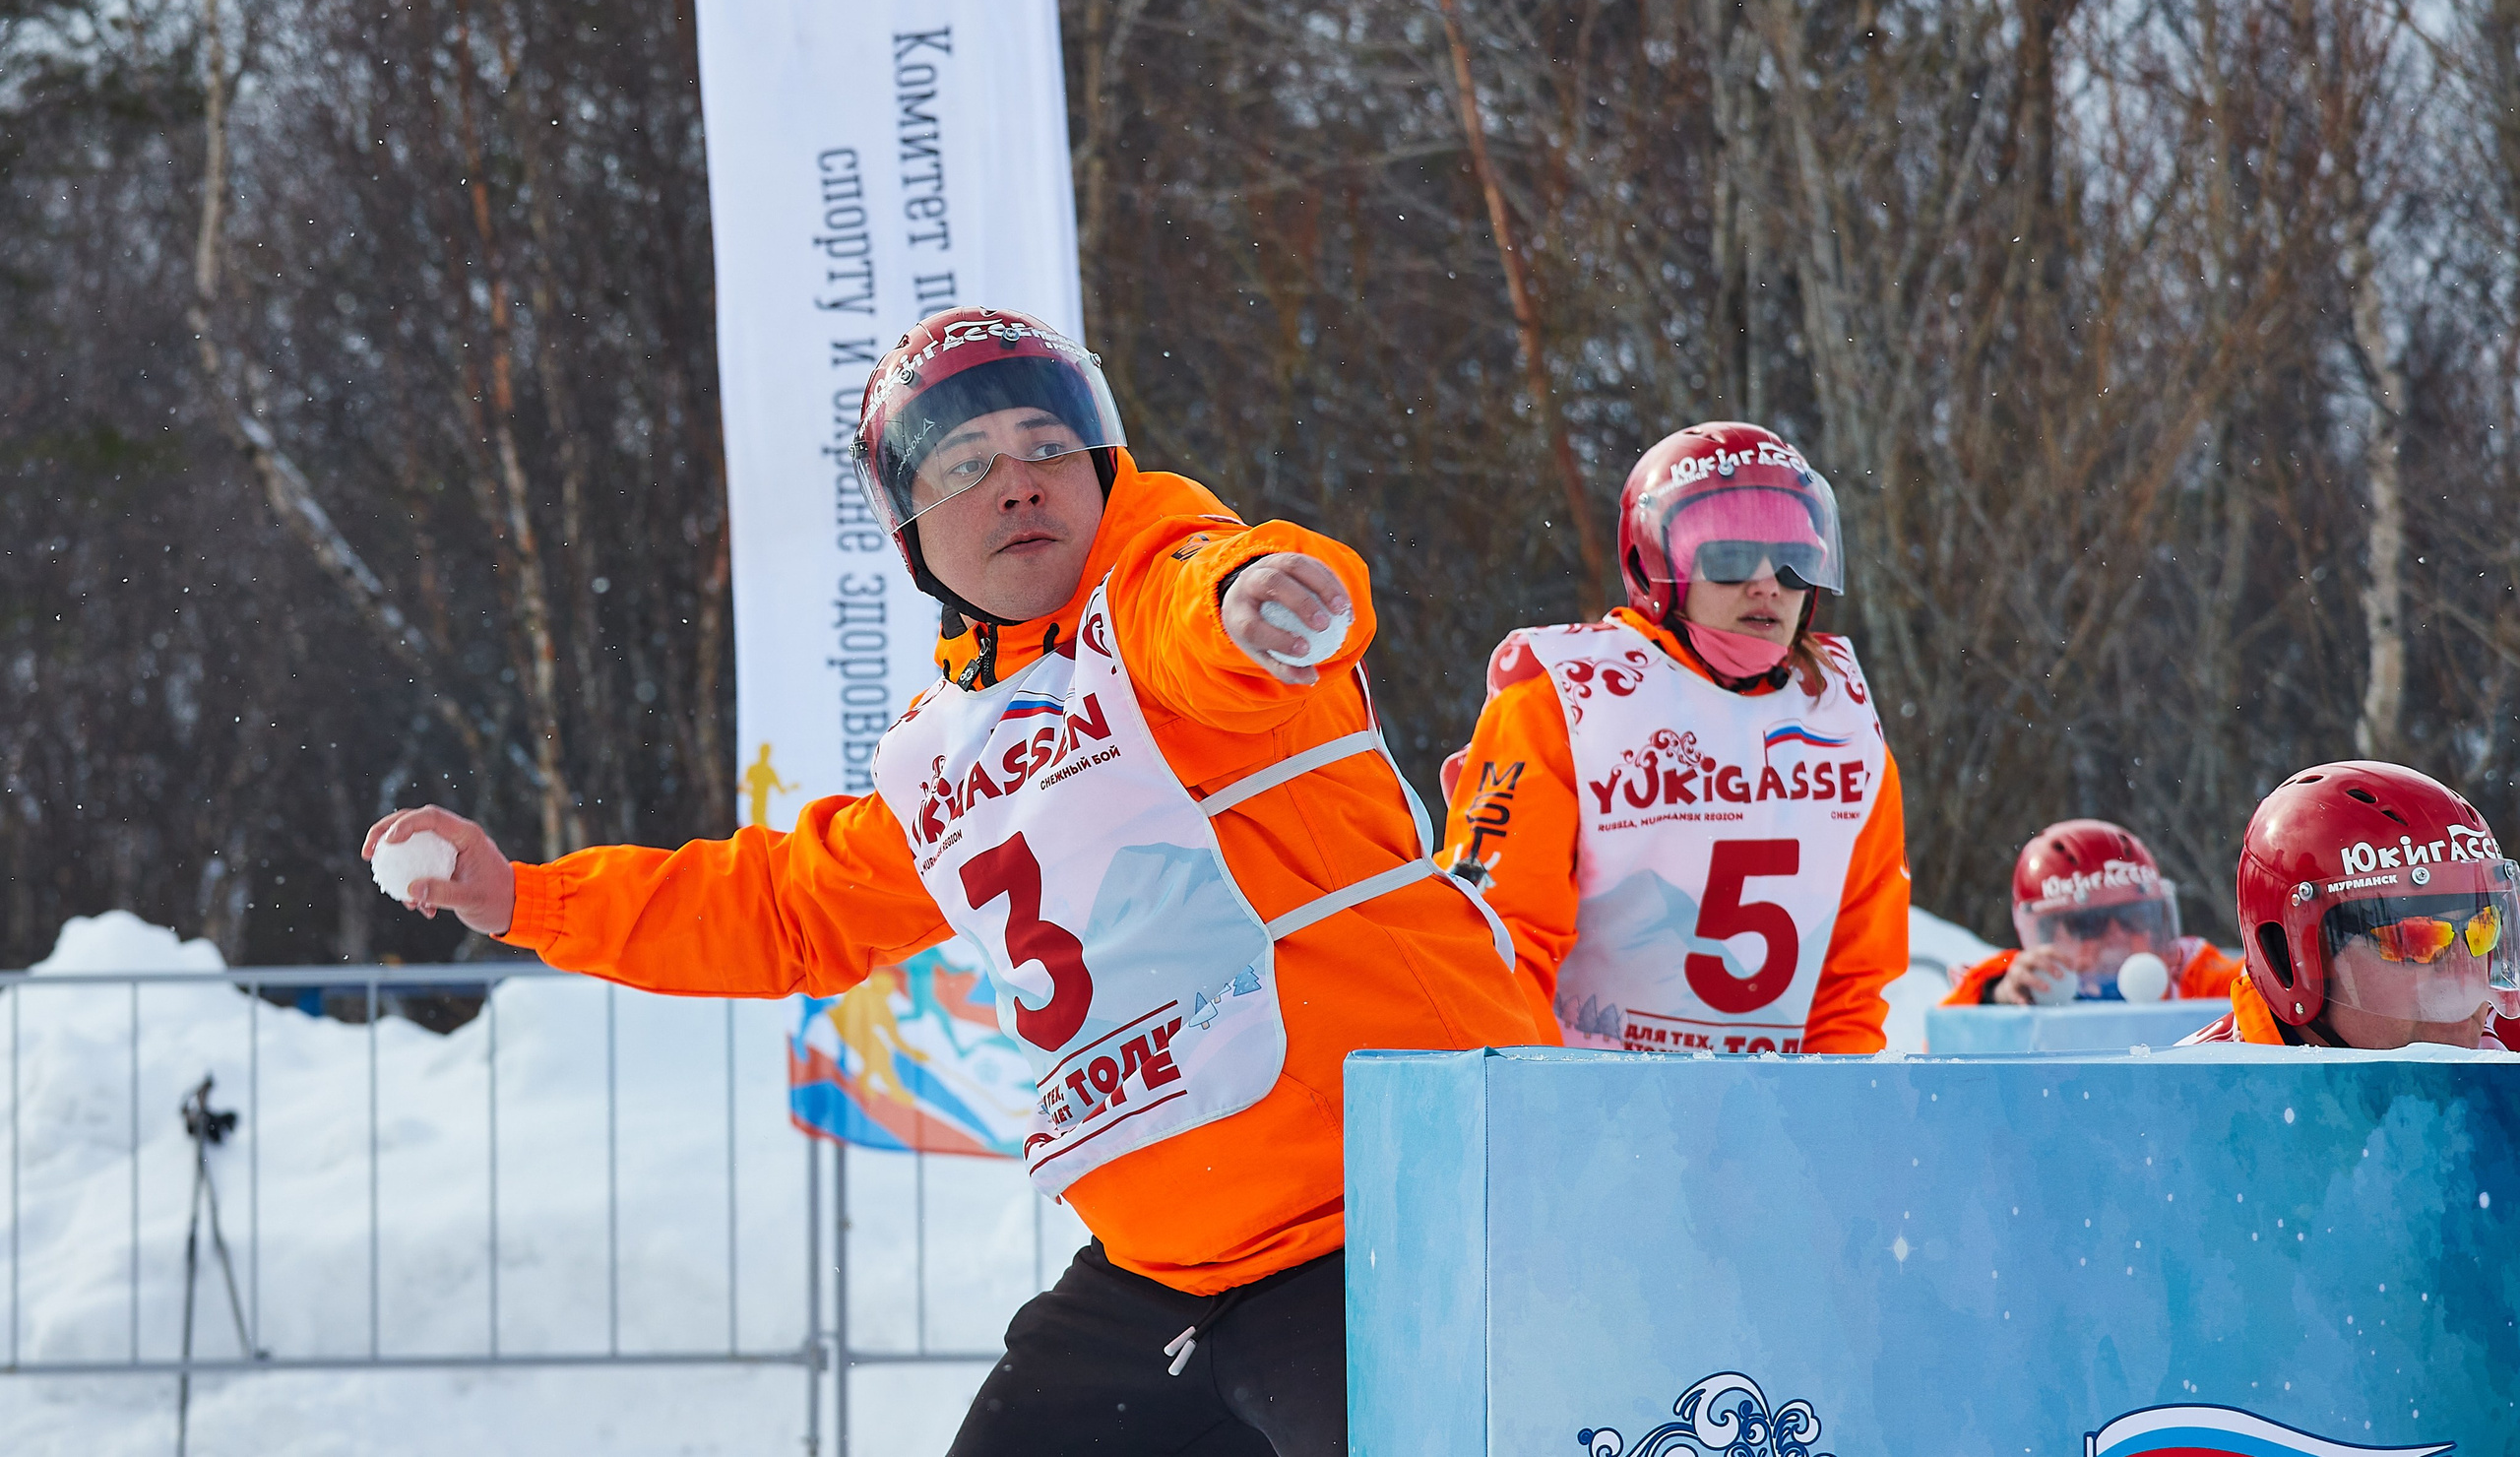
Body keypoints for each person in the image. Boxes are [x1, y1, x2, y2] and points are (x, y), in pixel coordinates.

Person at [362, 307, 1535, 1457]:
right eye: (964, 463)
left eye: (1044, 445)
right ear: (911, 535)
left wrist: (1261, 602)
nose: (1017, 481)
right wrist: (519, 897)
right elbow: (783, 909)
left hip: (1385, 1220)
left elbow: (1210, 599)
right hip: (1167, 1271)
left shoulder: (1156, 589)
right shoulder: (949, 752)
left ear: (1103, 470)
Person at [1436, 421, 1910, 1055]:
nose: (1768, 583)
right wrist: (1547, 1120)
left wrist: (1823, 1129)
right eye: (1732, 557)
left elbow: (1850, 986)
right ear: (1657, 565)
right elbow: (1499, 949)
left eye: (1796, 563)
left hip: (1772, 1122)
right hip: (1588, 1111)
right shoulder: (1561, 708)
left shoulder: (1844, 728)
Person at [2180, 760, 2520, 1050]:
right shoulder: (2192, 1107)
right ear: (2291, 961)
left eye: (2482, 929)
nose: (2462, 976)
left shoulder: (2505, 1059)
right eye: (2414, 939)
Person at [1941, 819, 2240, 1006]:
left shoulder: (2196, 979)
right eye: (2088, 924)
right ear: (2043, 937)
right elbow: (1950, 1045)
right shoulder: (2026, 984)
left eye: (2133, 918)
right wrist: (1999, 997)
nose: (2116, 936)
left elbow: (2259, 996)